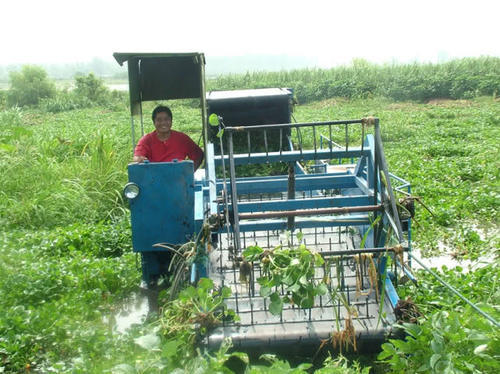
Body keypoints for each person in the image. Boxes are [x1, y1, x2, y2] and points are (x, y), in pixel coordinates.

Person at [133, 105, 204, 170]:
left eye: (166, 119)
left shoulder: (182, 138)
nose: (163, 123)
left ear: (171, 121)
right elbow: (137, 157)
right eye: (159, 120)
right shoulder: (146, 140)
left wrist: (189, 173)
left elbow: (199, 155)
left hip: (178, 180)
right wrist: (139, 159)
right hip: (153, 180)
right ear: (154, 122)